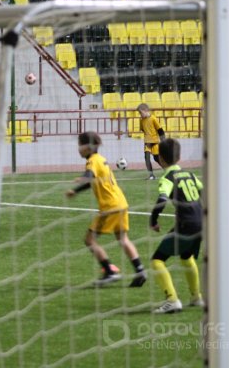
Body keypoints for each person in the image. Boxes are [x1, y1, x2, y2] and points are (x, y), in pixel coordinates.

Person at [66, 131, 146, 287]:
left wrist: (81, 178)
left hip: (110, 207)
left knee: (89, 240)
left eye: (80, 145)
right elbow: (92, 182)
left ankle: (109, 271)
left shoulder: (92, 161)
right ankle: (140, 271)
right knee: (123, 239)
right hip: (121, 203)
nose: (78, 149)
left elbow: (89, 176)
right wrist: (75, 191)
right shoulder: (102, 160)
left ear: (87, 147)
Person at [148, 138, 204, 314]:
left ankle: (172, 300)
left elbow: (162, 199)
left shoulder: (167, 177)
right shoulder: (190, 175)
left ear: (161, 159)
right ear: (179, 157)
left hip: (186, 224)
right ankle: (196, 297)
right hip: (201, 222)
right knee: (187, 257)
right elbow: (202, 192)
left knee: (157, 260)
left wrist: (153, 220)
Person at [133, 103, 166, 180]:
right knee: (146, 157)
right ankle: (151, 175)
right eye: (139, 113)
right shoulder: (141, 121)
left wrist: (163, 142)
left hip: (155, 142)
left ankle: (168, 171)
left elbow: (160, 131)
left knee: (157, 158)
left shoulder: (153, 118)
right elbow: (143, 129)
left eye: (141, 113)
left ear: (146, 110)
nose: (140, 114)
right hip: (147, 142)